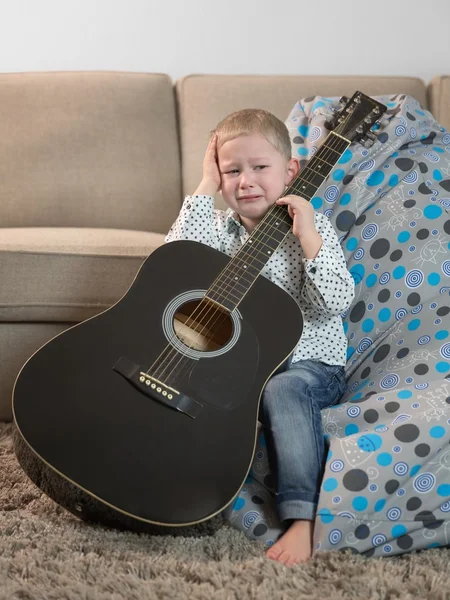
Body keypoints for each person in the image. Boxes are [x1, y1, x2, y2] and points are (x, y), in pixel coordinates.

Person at [165, 109, 355, 565]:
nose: (245, 180)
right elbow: (170, 267)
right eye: (232, 170)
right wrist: (206, 185)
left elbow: (335, 301)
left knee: (282, 387)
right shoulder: (218, 232)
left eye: (259, 168)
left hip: (308, 368)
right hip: (239, 369)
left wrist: (308, 236)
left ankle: (302, 519)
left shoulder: (312, 228)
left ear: (290, 172)